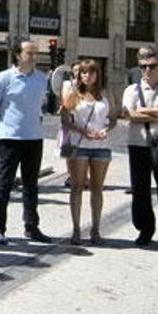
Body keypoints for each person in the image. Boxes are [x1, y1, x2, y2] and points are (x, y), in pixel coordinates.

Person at [0, 41, 51, 244]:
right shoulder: (4, 78)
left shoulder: (42, 79)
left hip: (34, 138)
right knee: (4, 184)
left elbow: (42, 104)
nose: (34, 56)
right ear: (17, 55)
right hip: (10, 138)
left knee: (31, 185)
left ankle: (31, 227)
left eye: (36, 53)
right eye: (29, 52)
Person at [60, 59, 116, 245]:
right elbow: (65, 119)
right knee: (77, 187)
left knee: (97, 189)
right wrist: (84, 132)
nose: (87, 76)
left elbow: (113, 118)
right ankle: (76, 230)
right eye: (84, 72)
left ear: (98, 74)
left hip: (101, 145)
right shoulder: (74, 94)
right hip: (80, 144)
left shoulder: (106, 93)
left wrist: (105, 130)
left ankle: (95, 230)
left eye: (91, 72)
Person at [122, 51, 158, 248]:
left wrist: (142, 112)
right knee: (140, 190)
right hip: (138, 144)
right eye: (143, 67)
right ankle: (145, 230)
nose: (147, 70)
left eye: (151, 66)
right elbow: (128, 115)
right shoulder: (131, 90)